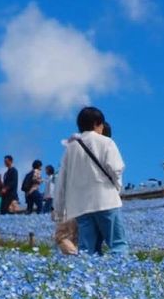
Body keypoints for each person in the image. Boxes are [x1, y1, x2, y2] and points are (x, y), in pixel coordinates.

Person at [53, 106, 126, 255]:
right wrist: (117, 188)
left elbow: (61, 181)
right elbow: (116, 169)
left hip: (81, 206)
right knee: (117, 245)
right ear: (96, 123)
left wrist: (59, 209)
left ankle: (89, 277)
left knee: (87, 251)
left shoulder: (70, 148)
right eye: (101, 124)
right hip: (106, 201)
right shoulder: (106, 142)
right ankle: (118, 276)